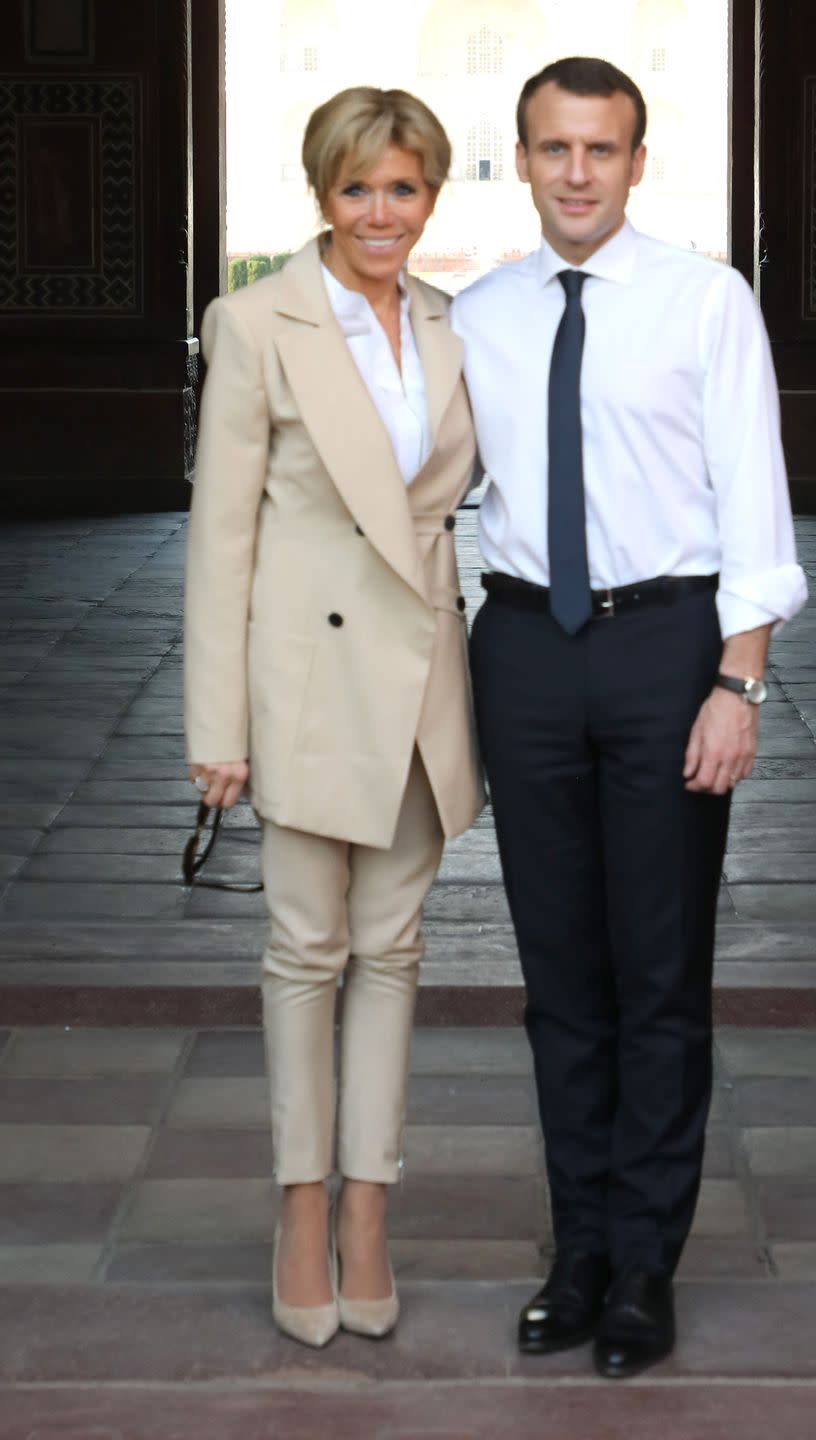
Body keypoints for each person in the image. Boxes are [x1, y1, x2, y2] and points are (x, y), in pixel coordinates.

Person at [450, 57, 807, 1379]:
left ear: (639, 162)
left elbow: (754, 499)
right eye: (554, 149)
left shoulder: (707, 303)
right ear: (525, 160)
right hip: (526, 650)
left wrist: (739, 679)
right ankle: (578, 1251)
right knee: (559, 979)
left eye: (602, 149)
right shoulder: (475, 315)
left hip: (668, 646)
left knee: (657, 972)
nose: (579, 173)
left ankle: (646, 1264)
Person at [184, 86, 485, 1349]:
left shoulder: (450, 322)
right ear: (322, 193)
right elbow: (222, 536)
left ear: (431, 198)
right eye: (358, 187)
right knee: (306, 954)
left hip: (418, 677)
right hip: (305, 683)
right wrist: (217, 728)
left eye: (404, 188)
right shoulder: (256, 322)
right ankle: (300, 1210)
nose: (381, 212)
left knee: (396, 951)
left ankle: (371, 1207)